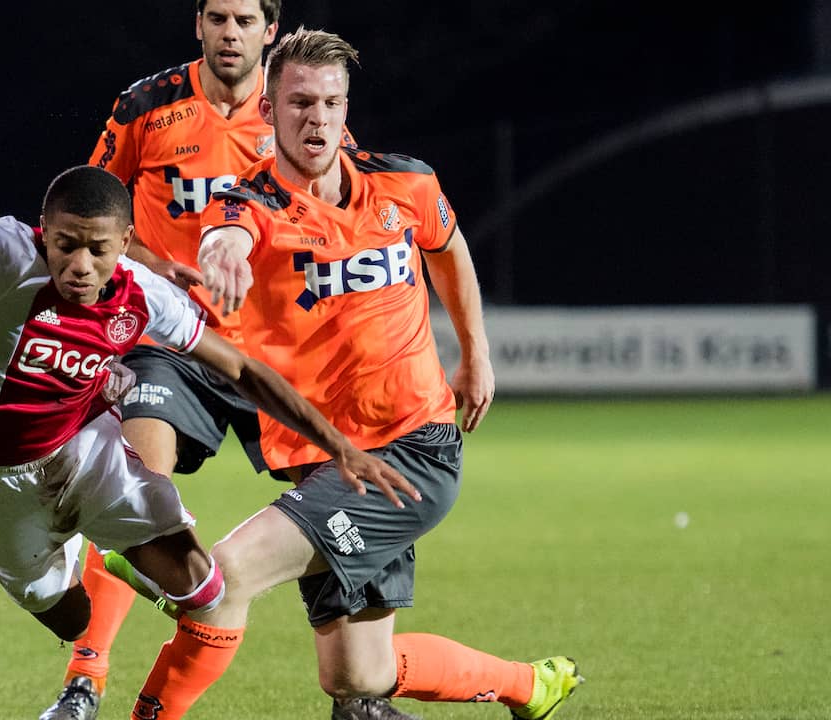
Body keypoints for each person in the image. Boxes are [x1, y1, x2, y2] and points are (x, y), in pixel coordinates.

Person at [0, 86, 418, 720]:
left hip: (85, 448)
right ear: (45, 232)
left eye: (99, 249)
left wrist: (339, 446)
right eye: (66, 244)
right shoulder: (1, 259)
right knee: (74, 618)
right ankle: (88, 556)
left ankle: (118, 556)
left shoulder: (144, 293)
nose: (81, 266)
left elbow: (243, 370)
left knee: (203, 589)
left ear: (126, 243)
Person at [107, 29, 584, 720]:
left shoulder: (406, 183)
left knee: (225, 576)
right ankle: (528, 686)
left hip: (411, 454)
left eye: (331, 102)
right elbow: (226, 230)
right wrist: (224, 254)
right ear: (267, 112)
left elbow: (448, 247)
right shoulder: (251, 205)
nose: (317, 118)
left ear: (347, 106)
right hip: (328, 461)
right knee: (359, 675)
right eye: (299, 102)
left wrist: (475, 351)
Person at [42, 2, 357, 718]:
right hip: (169, 342)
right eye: (218, 16)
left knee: (340, 496)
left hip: (272, 349)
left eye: (246, 18)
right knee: (135, 482)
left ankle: (355, 682)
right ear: (198, 23)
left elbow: (341, 217)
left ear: (270, 29)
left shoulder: (296, 112)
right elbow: (90, 212)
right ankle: (84, 682)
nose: (230, 32)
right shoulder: (147, 106)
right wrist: (156, 270)